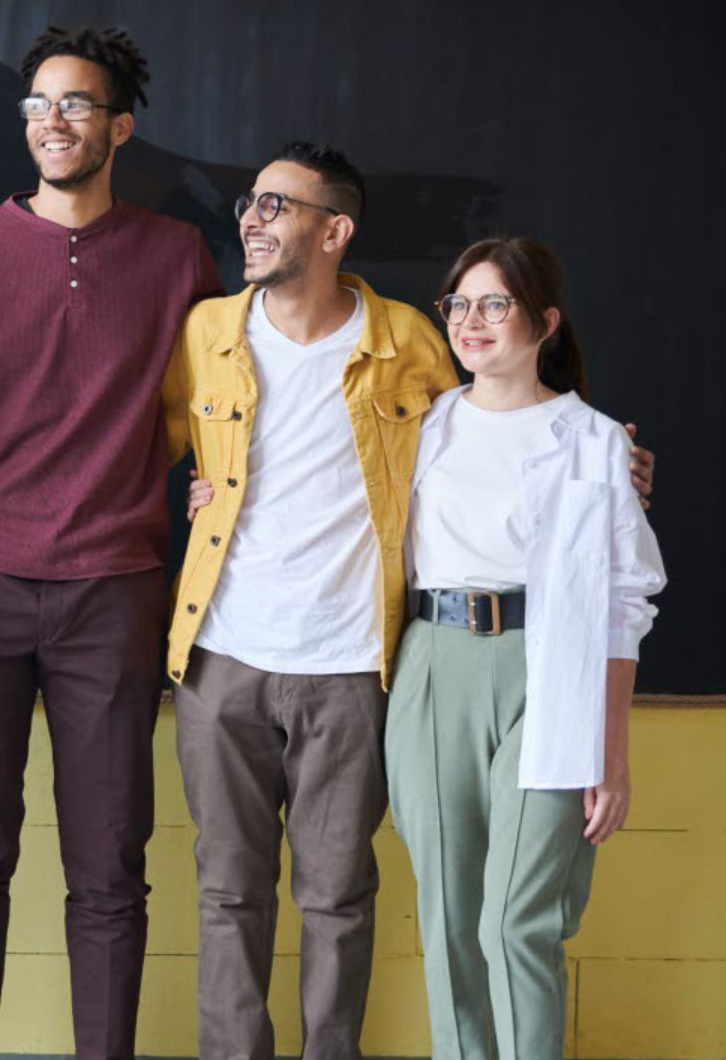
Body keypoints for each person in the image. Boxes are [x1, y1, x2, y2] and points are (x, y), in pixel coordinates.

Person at [164, 147, 655, 1060]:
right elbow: (160, 442)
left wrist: (609, 463)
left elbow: (518, 435)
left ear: (334, 229)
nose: (251, 220)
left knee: (356, 898)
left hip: (363, 662)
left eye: (276, 204)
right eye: (249, 202)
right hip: (243, 653)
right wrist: (202, 486)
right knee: (238, 892)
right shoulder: (207, 333)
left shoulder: (410, 346)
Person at [0, 26, 219, 1060]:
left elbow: (226, 404)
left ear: (120, 126)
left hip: (115, 587)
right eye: (38, 104)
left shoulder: (177, 257)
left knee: (111, 864)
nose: (54, 121)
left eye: (76, 104)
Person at [386, 236, 664, 1060]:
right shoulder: (419, 425)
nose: (472, 322)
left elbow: (623, 606)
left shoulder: (596, 441)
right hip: (432, 665)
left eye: (495, 304)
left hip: (551, 675)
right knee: (445, 915)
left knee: (516, 918)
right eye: (460, 304)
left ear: (544, 321)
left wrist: (611, 758)